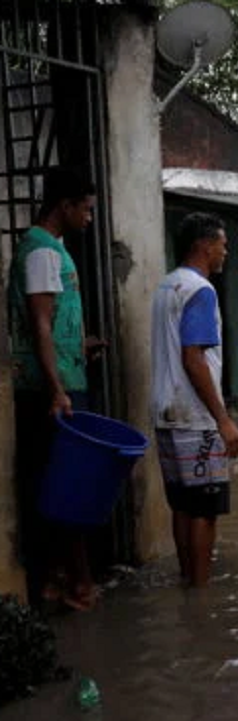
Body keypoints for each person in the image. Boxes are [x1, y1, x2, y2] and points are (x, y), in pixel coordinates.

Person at [7, 166, 103, 610]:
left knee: (57, 484)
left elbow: (49, 328)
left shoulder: (50, 251)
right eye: (84, 209)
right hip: (53, 392)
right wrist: (58, 389)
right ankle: (68, 585)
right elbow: (40, 324)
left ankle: (61, 583)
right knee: (63, 488)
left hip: (59, 381)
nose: (88, 218)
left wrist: (80, 346)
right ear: (63, 206)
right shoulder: (43, 253)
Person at [151, 212, 238, 587]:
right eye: (222, 244)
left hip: (165, 412)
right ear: (204, 247)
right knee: (204, 511)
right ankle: (201, 597)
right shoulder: (201, 291)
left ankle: (189, 582)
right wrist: (222, 419)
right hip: (195, 416)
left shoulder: (166, 287)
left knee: (183, 506)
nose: (226, 251)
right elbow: (194, 358)